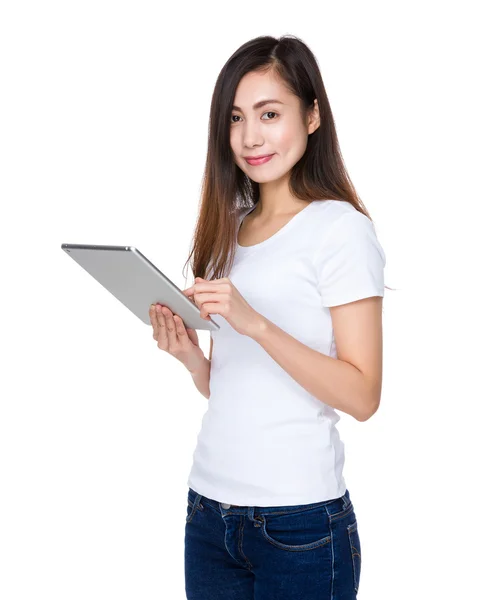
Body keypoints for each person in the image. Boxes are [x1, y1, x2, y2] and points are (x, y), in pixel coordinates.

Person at [149, 34, 388, 600]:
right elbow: (239, 388)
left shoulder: (341, 230)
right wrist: (189, 357)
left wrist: (255, 323)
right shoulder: (229, 227)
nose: (250, 137)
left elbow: (363, 396)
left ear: (312, 117)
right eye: (236, 117)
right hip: (209, 514)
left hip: (300, 526)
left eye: (269, 113)